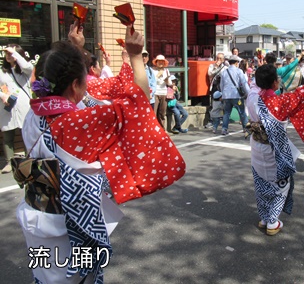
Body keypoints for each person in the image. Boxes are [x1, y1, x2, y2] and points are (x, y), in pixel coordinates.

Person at [12, 24, 185, 283]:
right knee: (78, 278)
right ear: (74, 85)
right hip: (70, 225)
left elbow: (79, 96)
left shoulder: (34, 113)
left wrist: (75, 49)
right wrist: (136, 55)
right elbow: (137, 101)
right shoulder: (80, 123)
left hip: (36, 217)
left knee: (44, 275)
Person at [246, 60, 304, 236]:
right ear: (275, 83)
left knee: (261, 182)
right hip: (274, 150)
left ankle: (264, 217)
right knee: (280, 185)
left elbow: (258, 87)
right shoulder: (281, 102)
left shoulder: (252, 98)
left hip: (256, 146)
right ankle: (272, 221)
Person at [0, 44, 32, 174]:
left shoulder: (25, 71)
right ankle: (10, 162)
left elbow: (26, 66)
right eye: (7, 54)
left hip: (23, 105)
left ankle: (29, 159)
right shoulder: (2, 71)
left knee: (26, 133)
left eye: (11, 53)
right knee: (8, 136)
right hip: (7, 106)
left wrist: (15, 54)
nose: (9, 56)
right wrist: (3, 95)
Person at [220, 55, 250, 135]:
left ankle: (224, 129)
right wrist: (248, 93)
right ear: (236, 63)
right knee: (242, 112)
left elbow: (221, 85)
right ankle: (246, 129)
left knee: (226, 113)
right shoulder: (239, 71)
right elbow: (244, 83)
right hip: (236, 95)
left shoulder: (224, 72)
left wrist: (223, 94)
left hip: (226, 95)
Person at [152, 54, 172, 129]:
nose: (160, 63)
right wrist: (158, 75)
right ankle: (153, 129)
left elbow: (169, 83)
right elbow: (152, 81)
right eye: (159, 61)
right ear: (156, 62)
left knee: (162, 113)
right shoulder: (152, 71)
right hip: (155, 93)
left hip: (164, 93)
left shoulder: (166, 71)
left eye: (162, 62)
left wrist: (167, 81)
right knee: (153, 112)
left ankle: (162, 129)